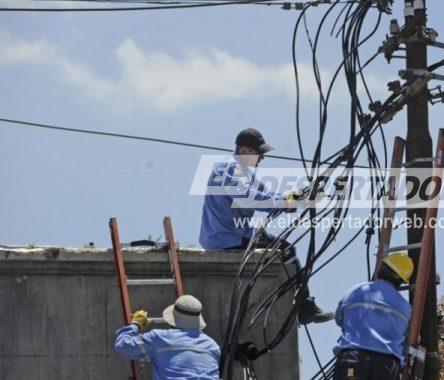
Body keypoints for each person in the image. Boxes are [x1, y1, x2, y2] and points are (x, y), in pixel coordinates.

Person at [198, 128, 332, 325]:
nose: (261, 158)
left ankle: (302, 305)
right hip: (226, 237)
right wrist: (292, 201)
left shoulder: (245, 173)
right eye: (258, 153)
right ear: (244, 151)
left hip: (235, 234)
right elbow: (250, 200)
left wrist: (301, 197)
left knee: (285, 250)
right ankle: (303, 306)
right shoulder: (229, 168)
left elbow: (271, 196)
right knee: (286, 252)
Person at [333, 252, 414, 380]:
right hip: (386, 366)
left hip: (353, 358)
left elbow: (339, 319)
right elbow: (408, 338)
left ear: (381, 268)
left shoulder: (354, 292)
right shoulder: (406, 308)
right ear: (401, 281)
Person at [114, 295, 221, 380]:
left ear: (173, 318)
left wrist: (136, 324)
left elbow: (123, 345)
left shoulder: (160, 338)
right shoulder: (213, 346)